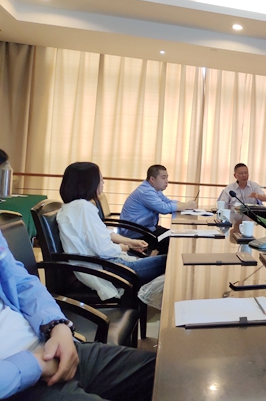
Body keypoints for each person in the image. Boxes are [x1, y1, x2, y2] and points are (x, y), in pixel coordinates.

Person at [0, 230, 155, 400]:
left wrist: (57, 326)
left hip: (49, 348)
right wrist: (34, 364)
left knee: (166, 372)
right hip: (16, 382)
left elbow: (21, 282)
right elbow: (102, 248)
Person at [57, 162, 167, 301]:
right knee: (170, 261)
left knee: (167, 260)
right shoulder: (83, 208)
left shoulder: (74, 206)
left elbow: (104, 232)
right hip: (111, 270)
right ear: (89, 183)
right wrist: (124, 247)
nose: (103, 182)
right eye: (100, 179)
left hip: (109, 265)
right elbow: (104, 250)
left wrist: (130, 242)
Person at [119, 165, 197, 254]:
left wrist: (185, 205)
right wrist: (186, 205)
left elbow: (167, 202)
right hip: (137, 233)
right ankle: (161, 261)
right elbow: (163, 208)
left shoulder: (155, 190)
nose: (166, 181)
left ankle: (162, 260)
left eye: (167, 177)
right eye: (163, 178)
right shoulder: (146, 192)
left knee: (174, 235)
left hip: (148, 228)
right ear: (152, 179)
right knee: (171, 240)